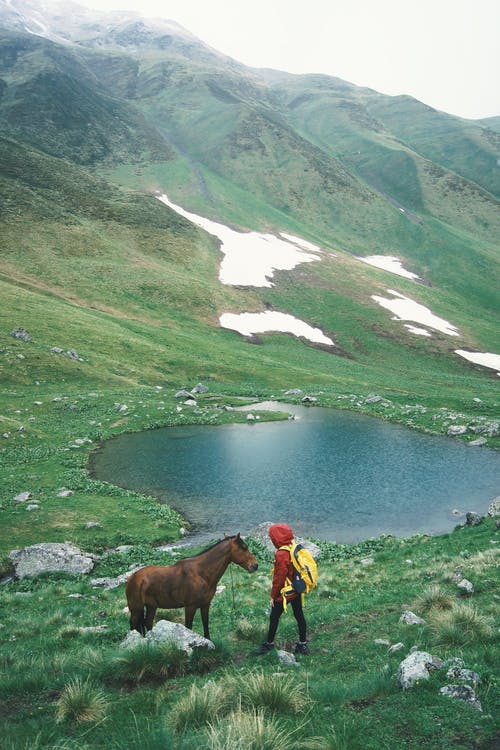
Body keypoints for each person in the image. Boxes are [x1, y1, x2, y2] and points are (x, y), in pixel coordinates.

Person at [255, 523, 308, 655]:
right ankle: (303, 644)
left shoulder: (281, 554)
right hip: (297, 588)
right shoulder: (293, 546)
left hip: (286, 592)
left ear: (276, 538)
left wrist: (273, 596)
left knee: (274, 617)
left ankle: (269, 644)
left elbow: (279, 578)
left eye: (272, 537)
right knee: (299, 615)